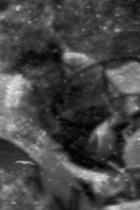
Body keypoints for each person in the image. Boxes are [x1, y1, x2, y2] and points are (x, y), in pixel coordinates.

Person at [7, 29, 123, 168]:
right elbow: (48, 151)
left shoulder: (84, 66)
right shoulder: (18, 99)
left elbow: (121, 104)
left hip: (99, 129)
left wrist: (109, 125)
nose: (45, 83)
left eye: (50, 74)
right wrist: (89, 177)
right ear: (23, 75)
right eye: (36, 78)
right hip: (59, 146)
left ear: (60, 63)